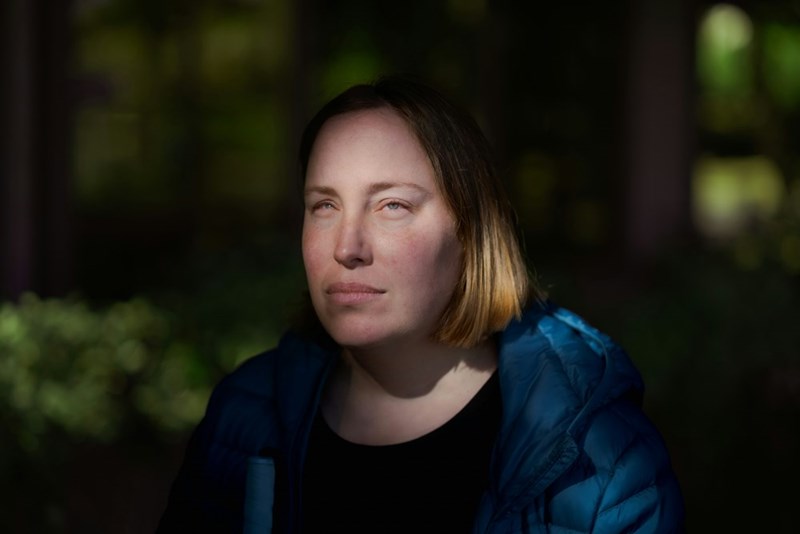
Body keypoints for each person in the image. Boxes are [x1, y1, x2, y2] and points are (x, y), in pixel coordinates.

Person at [157, 75, 685, 533]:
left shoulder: (600, 460)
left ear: (471, 231)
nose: (347, 247)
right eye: (324, 205)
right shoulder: (245, 417)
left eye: (392, 205)